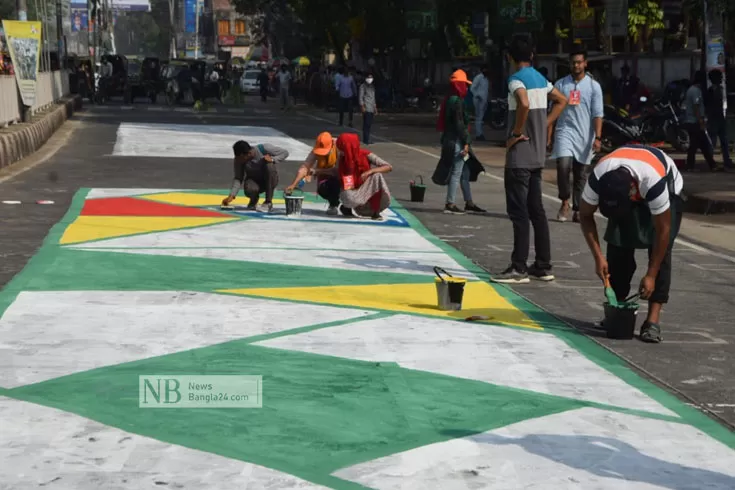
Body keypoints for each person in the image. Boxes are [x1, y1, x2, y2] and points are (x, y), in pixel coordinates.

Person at [578, 145, 684, 344]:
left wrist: (651, 275)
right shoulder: (598, 177)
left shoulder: (654, 182)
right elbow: (585, 215)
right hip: (627, 186)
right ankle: (617, 310)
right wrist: (598, 257)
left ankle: (652, 321)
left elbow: (663, 232)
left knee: (661, 252)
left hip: (666, 183)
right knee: (617, 245)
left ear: (633, 191)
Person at [491, 36, 567, 284]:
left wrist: (516, 132)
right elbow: (562, 100)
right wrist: (545, 123)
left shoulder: (515, 80)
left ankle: (518, 267)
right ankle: (543, 265)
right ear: (532, 56)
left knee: (519, 212)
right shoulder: (541, 79)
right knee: (537, 211)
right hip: (537, 157)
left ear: (510, 58)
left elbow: (523, 102)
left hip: (519, 157)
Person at [549, 47, 604, 223]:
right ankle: (565, 201)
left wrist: (597, 137)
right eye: (573, 62)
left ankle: (578, 208)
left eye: (579, 62)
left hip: (585, 135)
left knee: (581, 174)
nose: (576, 65)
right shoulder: (560, 85)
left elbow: (598, 113)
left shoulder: (594, 87)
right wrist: (548, 135)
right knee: (563, 165)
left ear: (585, 63)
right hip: (564, 131)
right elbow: (553, 112)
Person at [436, 69, 487, 215]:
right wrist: (466, 141)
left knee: (465, 171)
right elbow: (459, 124)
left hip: (450, 138)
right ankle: (450, 203)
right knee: (457, 172)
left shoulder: (449, 99)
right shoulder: (456, 101)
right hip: (456, 140)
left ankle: (468, 202)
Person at [285, 132, 348, 216]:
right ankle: (334, 204)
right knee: (322, 189)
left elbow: (336, 171)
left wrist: (317, 171)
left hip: (341, 176)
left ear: (332, 144)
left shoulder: (339, 147)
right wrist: (294, 184)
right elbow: (305, 167)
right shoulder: (316, 149)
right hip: (325, 177)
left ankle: (338, 204)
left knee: (335, 184)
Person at [336, 133, 393, 220]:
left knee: (377, 176)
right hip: (352, 190)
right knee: (348, 195)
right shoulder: (342, 160)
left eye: (343, 149)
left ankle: (375, 211)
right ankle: (347, 208)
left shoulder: (366, 154)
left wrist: (370, 171)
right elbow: (347, 182)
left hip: (366, 187)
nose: (341, 151)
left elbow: (388, 167)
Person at [222, 141, 289, 213]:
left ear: (248, 154)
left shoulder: (264, 149)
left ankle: (268, 202)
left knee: (269, 165)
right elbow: (238, 178)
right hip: (254, 181)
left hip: (269, 180)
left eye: (241, 158)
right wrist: (232, 195)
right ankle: (254, 200)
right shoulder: (239, 160)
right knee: (250, 188)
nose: (239, 160)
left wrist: (272, 159)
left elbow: (285, 153)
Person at [683, 70, 721, 172]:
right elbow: (696, 107)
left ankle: (712, 165)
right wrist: (701, 121)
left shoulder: (692, 89)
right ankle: (691, 166)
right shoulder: (695, 91)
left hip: (693, 121)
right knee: (695, 145)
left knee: (702, 145)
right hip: (694, 122)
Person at [705, 70, 733, 169]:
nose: (721, 79)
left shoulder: (720, 89)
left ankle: (727, 160)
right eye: (720, 77)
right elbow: (709, 106)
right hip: (714, 119)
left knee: (724, 141)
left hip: (720, 118)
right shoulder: (710, 91)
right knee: (712, 141)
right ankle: (711, 162)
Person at [471, 65, 490, 141]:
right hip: (478, 100)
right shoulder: (479, 77)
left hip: (484, 101)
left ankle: (480, 133)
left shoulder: (486, 79)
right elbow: (472, 88)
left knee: (481, 118)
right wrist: (477, 95)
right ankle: (479, 134)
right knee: (479, 118)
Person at [359, 72, 377, 145]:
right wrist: (362, 106)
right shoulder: (363, 86)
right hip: (366, 107)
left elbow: (373, 98)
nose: (370, 79)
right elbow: (360, 97)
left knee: (369, 124)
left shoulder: (372, 87)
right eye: (369, 77)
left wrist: (375, 107)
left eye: (371, 78)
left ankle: (367, 139)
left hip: (371, 107)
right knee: (366, 124)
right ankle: (365, 140)